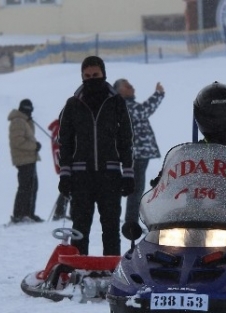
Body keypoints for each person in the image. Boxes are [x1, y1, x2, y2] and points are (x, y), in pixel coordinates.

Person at [123, 81, 226, 241]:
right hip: (192, 225)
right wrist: (163, 184)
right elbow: (165, 186)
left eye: (223, 114)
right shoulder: (188, 154)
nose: (218, 120)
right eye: (213, 115)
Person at [58, 56, 134, 256]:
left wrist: (128, 173)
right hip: (81, 176)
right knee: (80, 228)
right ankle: (77, 271)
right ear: (82, 77)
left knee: (110, 228)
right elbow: (65, 142)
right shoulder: (73, 104)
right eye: (87, 76)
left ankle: (111, 271)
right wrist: (65, 175)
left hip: (110, 175)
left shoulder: (116, 102)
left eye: (96, 75)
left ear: (104, 74)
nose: (92, 79)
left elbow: (125, 139)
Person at [113, 78, 165, 226]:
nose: (132, 87)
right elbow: (143, 111)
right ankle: (131, 222)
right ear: (119, 91)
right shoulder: (124, 106)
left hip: (139, 154)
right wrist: (158, 95)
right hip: (137, 154)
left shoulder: (124, 105)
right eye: (127, 86)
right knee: (135, 189)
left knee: (135, 188)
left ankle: (131, 220)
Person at [8, 99, 43, 224]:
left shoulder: (24, 121)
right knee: (25, 186)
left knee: (31, 186)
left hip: (28, 158)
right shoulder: (18, 121)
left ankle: (28, 213)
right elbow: (17, 142)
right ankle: (20, 214)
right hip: (24, 159)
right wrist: (34, 146)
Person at [48, 118, 70, 221]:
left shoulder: (59, 126)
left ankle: (61, 212)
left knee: (70, 186)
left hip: (65, 160)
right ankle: (60, 212)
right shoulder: (59, 127)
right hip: (66, 161)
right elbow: (58, 147)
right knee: (69, 186)